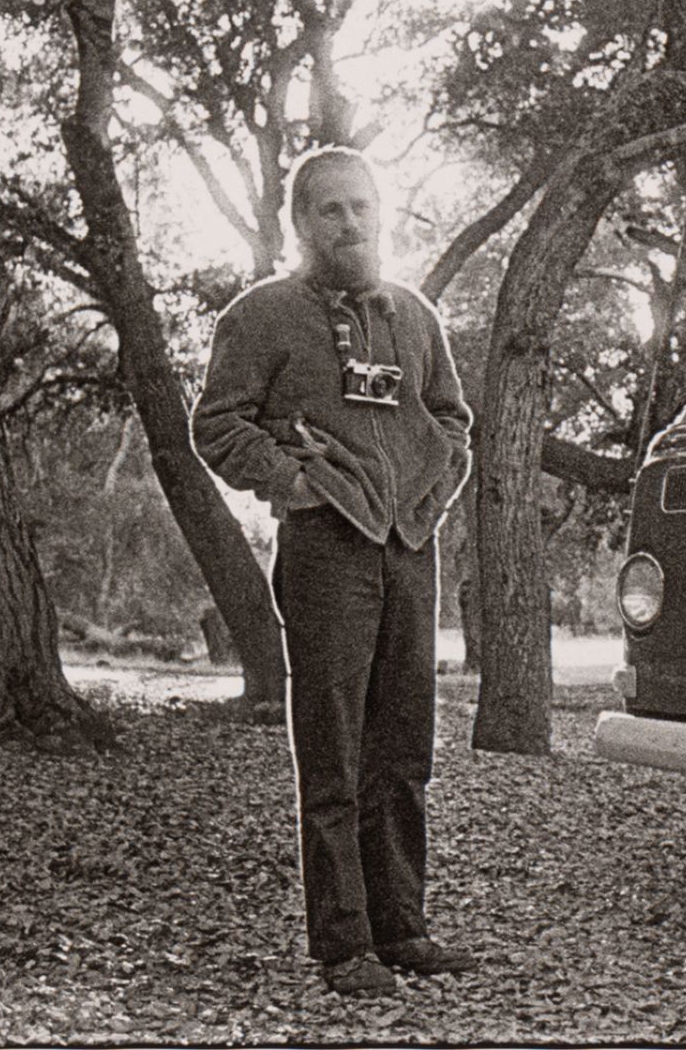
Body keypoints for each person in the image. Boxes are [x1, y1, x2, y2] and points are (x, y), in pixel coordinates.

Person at [190, 146, 475, 997]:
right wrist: (298, 485)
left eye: (361, 207)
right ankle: (344, 942)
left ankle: (405, 930)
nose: (350, 224)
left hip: (406, 552)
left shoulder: (416, 315)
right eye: (330, 211)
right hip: (324, 554)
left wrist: (423, 504)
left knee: (405, 750)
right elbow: (219, 426)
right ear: (301, 225)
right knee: (334, 750)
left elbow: (453, 423)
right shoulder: (262, 315)